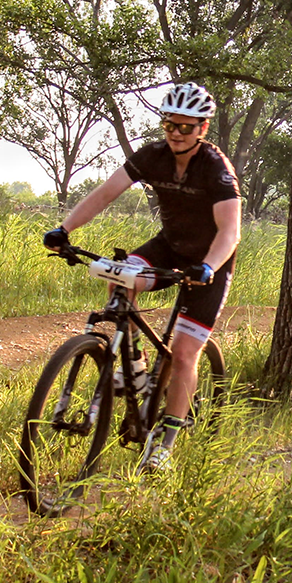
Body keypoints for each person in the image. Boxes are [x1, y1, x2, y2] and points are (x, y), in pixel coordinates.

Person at [41, 82, 241, 471]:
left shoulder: (216, 169)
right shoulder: (152, 155)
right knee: (121, 278)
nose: (176, 134)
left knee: (184, 353)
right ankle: (135, 370)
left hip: (210, 260)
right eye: (170, 126)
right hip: (169, 245)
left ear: (202, 128)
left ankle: (164, 444)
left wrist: (209, 267)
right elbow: (105, 193)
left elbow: (230, 232)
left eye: (186, 127)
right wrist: (64, 230)